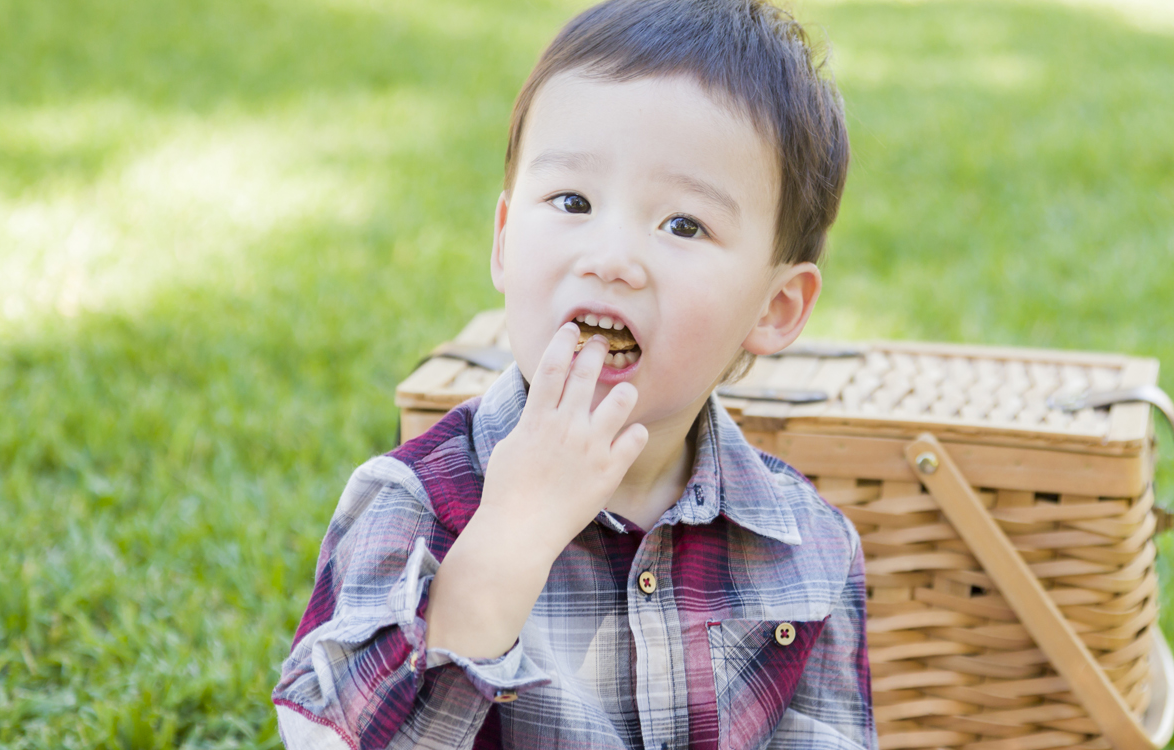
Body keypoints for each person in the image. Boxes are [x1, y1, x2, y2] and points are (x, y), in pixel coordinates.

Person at [271, 1, 873, 748]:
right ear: (503, 239)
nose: (612, 257)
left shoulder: (808, 546)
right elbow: (327, 738)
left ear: (775, 306)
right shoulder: (413, 509)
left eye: (683, 224)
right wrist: (507, 539)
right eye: (573, 201)